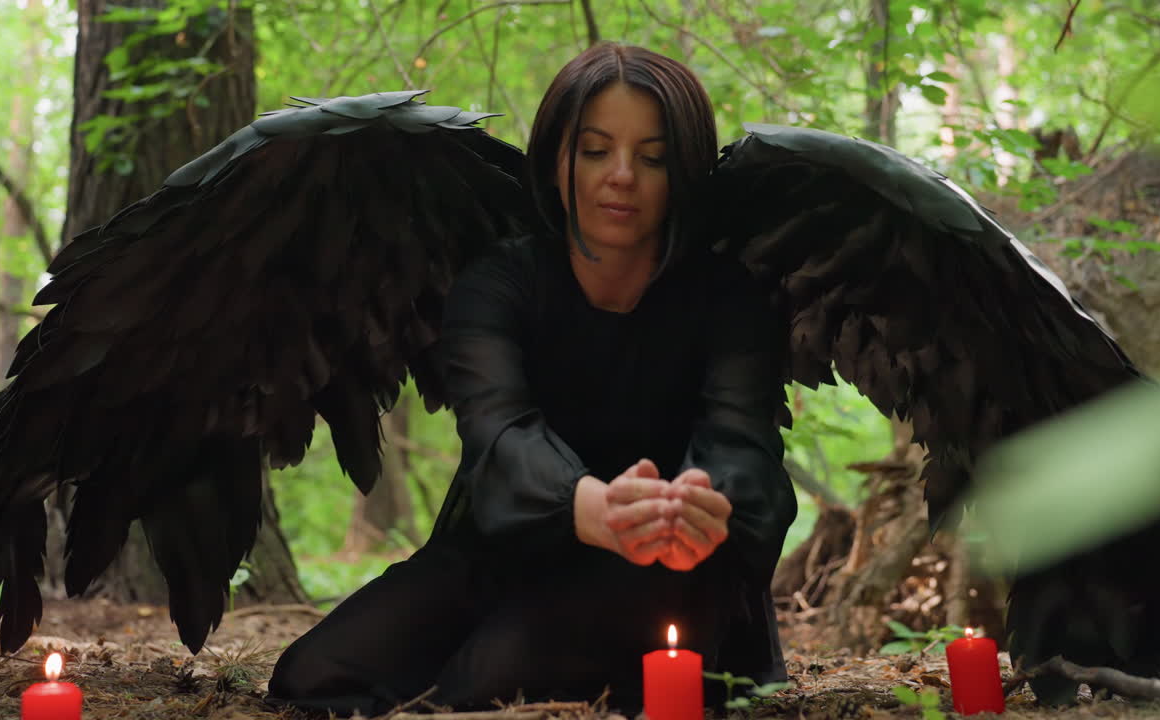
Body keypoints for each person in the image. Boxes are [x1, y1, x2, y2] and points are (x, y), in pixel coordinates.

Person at [267, 42, 797, 715]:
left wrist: (699, 503)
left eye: (653, 157)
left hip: (669, 570)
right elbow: (497, 433)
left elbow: (741, 442)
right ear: (556, 160)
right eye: (597, 149)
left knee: (480, 685)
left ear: (684, 171)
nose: (623, 176)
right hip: (519, 540)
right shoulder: (498, 285)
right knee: (312, 676)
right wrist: (589, 506)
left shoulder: (727, 297)